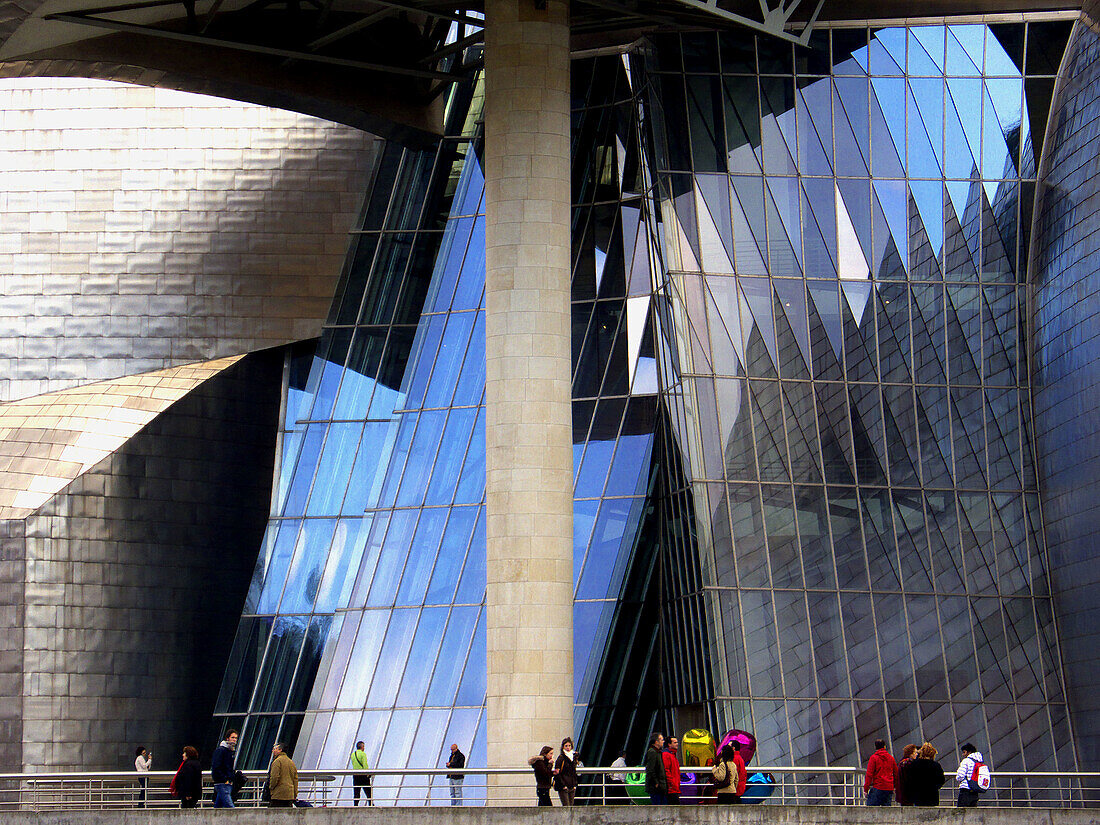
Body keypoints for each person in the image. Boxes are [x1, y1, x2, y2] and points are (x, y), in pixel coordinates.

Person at [901, 742, 946, 806]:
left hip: (918, 796)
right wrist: (935, 787)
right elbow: (941, 780)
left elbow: (908, 780)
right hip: (932, 796)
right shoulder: (936, 765)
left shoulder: (914, 764)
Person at [863, 738, 897, 806]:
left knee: (871, 809)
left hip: (878, 787)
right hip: (889, 788)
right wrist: (894, 786)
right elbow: (896, 773)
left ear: (875, 747)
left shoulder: (873, 758)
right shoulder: (891, 758)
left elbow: (869, 775)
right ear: (884, 747)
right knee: (887, 811)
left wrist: (866, 789)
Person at [211, 729, 239, 808]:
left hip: (225, 781)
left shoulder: (228, 751)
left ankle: (213, 819)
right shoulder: (221, 750)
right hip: (222, 782)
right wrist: (225, 779)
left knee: (219, 805)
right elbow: (216, 766)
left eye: (236, 738)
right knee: (229, 805)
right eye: (232, 737)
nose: (234, 740)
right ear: (227, 738)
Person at [267, 742, 299, 808]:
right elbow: (295, 780)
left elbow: (274, 777)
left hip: (278, 794)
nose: (273, 751)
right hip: (289, 795)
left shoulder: (277, 761)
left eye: (275, 749)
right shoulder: (291, 762)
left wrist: (271, 788)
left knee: (273, 815)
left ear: (280, 750)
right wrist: (294, 794)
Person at [643, 732, 667, 804]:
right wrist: (656, 782)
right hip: (656, 786)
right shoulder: (653, 752)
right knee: (658, 806)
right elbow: (650, 769)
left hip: (660, 785)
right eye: (661, 740)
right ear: (656, 742)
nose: (663, 741)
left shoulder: (658, 752)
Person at [554, 737, 579, 806]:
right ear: (563, 747)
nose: (568, 747)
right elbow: (557, 773)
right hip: (564, 786)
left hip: (571, 785)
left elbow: (573, 772)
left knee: (571, 806)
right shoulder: (561, 758)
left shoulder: (573, 757)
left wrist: (575, 784)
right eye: (566, 746)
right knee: (566, 806)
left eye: (569, 746)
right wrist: (563, 785)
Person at [350, 740, 372, 806]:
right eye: (363, 746)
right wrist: (368, 774)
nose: (364, 748)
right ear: (362, 747)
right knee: (368, 792)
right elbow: (365, 765)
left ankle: (355, 805)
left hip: (355, 775)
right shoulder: (363, 754)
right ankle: (370, 804)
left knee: (356, 792)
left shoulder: (353, 754)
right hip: (363, 775)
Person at [662, 736, 681, 805]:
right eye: (675, 742)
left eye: (677, 742)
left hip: (674, 787)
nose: (677, 744)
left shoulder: (672, 754)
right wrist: (671, 783)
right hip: (671, 788)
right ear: (669, 744)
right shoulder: (667, 755)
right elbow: (666, 770)